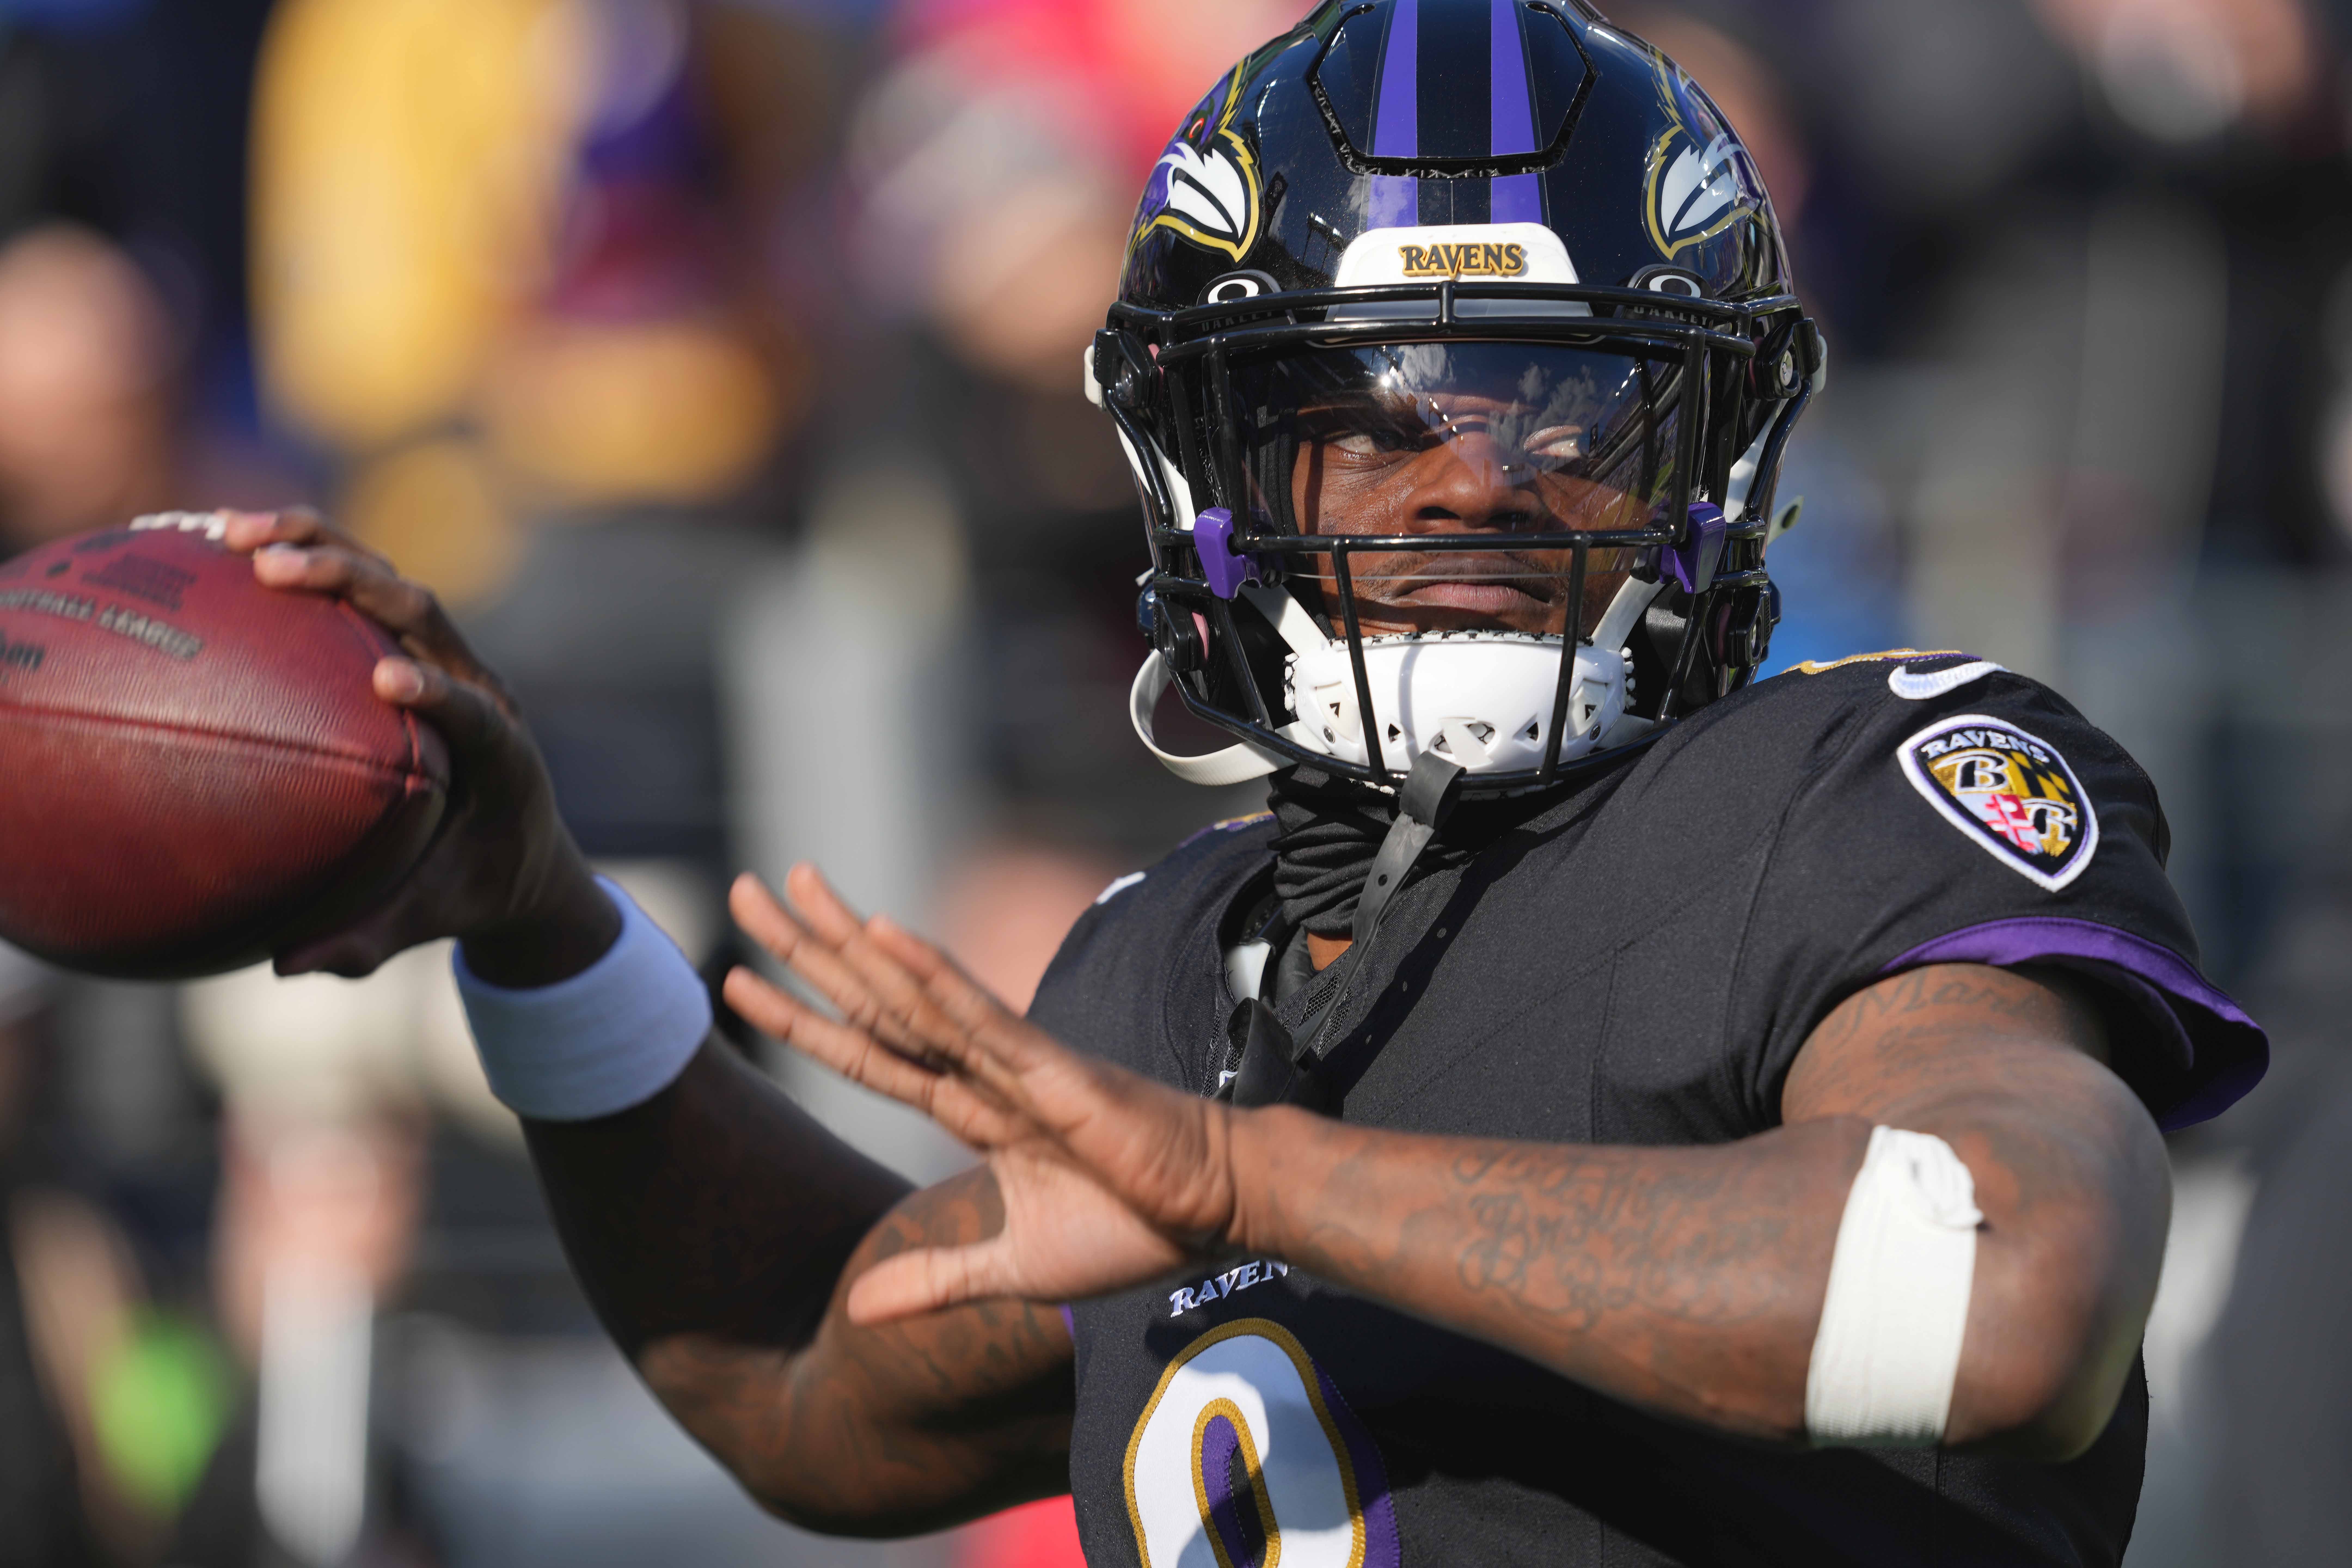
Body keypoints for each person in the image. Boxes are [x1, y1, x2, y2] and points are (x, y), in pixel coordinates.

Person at [216, 3, 2266, 1563]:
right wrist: (541, 919)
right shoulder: (1170, 964)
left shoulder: (1854, 792)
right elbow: (812, 1387)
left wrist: (1256, 1187)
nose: (1471, 479)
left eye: (1568, 408)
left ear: (1709, 461)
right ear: (1209, 466)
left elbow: (2002, 1286)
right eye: (1364, 416)